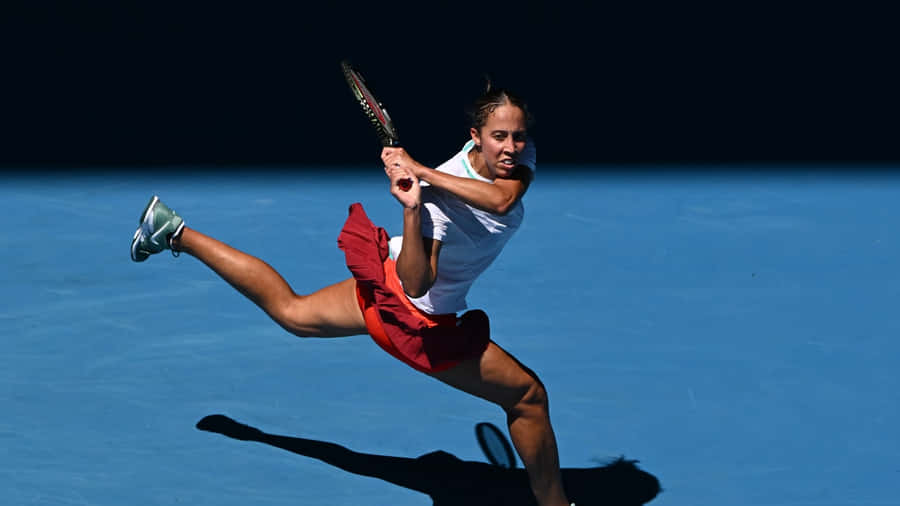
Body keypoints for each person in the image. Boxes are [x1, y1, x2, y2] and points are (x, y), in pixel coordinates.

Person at [130, 83, 573, 506]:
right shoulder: (438, 203)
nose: (511, 147)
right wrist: (415, 206)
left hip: (379, 289)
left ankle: (176, 233)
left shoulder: (513, 163)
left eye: (517, 135)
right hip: (418, 322)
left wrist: (421, 170)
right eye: (500, 137)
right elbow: (418, 284)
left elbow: (501, 202)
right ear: (475, 137)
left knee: (294, 313)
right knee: (528, 398)